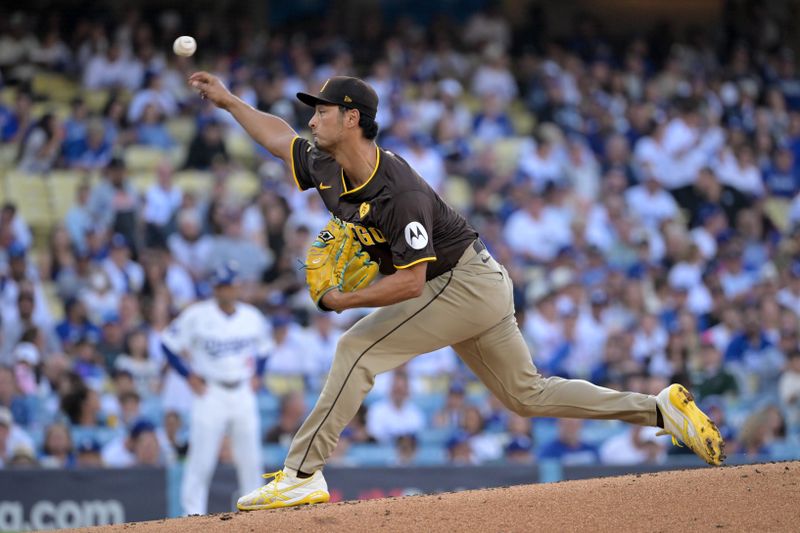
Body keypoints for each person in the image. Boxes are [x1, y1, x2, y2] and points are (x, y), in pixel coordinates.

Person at [187, 72, 725, 511]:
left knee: (356, 348)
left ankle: (302, 474)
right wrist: (230, 100)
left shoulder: (397, 190)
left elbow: (411, 281)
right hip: (476, 283)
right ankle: (660, 411)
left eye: (323, 110)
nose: (313, 117)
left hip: (458, 281)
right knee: (525, 395)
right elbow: (279, 137)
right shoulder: (327, 164)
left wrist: (341, 302)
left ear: (352, 118)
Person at [160, 260, 272, 515]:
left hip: (243, 390)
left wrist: (259, 374)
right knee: (201, 461)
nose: (226, 291)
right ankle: (192, 516)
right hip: (210, 392)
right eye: (221, 286)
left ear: (237, 287)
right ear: (214, 288)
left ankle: (255, 515)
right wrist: (188, 375)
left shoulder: (251, 316)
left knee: (250, 460)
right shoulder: (197, 315)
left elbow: (265, 348)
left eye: (230, 285)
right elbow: (167, 343)